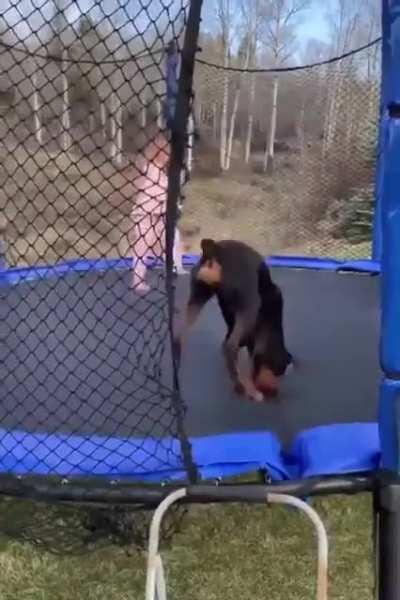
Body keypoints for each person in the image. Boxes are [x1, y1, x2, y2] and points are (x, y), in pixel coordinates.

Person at [129, 132, 185, 294]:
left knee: (174, 239)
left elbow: (166, 194)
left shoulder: (163, 174)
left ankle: (175, 268)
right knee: (142, 248)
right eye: (165, 152)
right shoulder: (149, 169)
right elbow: (144, 180)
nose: (168, 156)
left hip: (160, 217)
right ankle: (138, 282)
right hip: (145, 217)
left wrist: (175, 206)